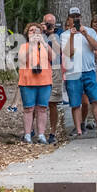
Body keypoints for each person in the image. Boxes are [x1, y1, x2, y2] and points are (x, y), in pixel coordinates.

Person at [62, 7, 97, 138]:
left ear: (80, 17)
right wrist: (72, 35)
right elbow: (68, 53)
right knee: (75, 103)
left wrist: (85, 34)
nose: (75, 18)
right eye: (73, 16)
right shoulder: (64, 35)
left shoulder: (90, 31)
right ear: (68, 19)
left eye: (77, 16)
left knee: (95, 100)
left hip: (89, 71)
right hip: (73, 72)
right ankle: (79, 130)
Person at [16, 23, 53, 144]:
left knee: (42, 108)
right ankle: (27, 134)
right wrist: (32, 45)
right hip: (27, 82)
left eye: (36, 31)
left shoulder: (44, 45)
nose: (34, 33)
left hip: (44, 81)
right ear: (27, 34)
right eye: (31, 31)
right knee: (28, 108)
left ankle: (41, 135)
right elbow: (22, 60)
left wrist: (43, 42)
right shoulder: (24, 46)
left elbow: (53, 58)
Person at [41, 13, 65, 144]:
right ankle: (37, 132)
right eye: (47, 23)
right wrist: (41, 31)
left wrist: (51, 34)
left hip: (55, 69)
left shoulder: (60, 33)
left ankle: (52, 132)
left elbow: (60, 51)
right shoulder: (38, 31)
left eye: (52, 23)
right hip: (40, 68)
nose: (50, 25)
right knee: (38, 103)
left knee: (52, 103)